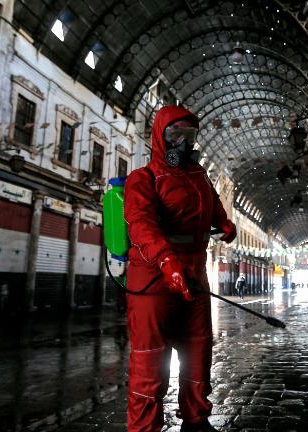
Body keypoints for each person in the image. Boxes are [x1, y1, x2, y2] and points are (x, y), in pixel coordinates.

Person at [123, 105, 237, 432]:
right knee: (150, 356)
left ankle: (196, 420)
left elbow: (213, 207)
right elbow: (141, 225)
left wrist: (224, 223)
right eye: (175, 135)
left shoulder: (198, 177)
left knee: (198, 347)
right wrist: (166, 261)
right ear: (160, 137)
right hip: (152, 276)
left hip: (194, 271)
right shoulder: (143, 179)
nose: (183, 143)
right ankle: (145, 428)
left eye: (189, 135)